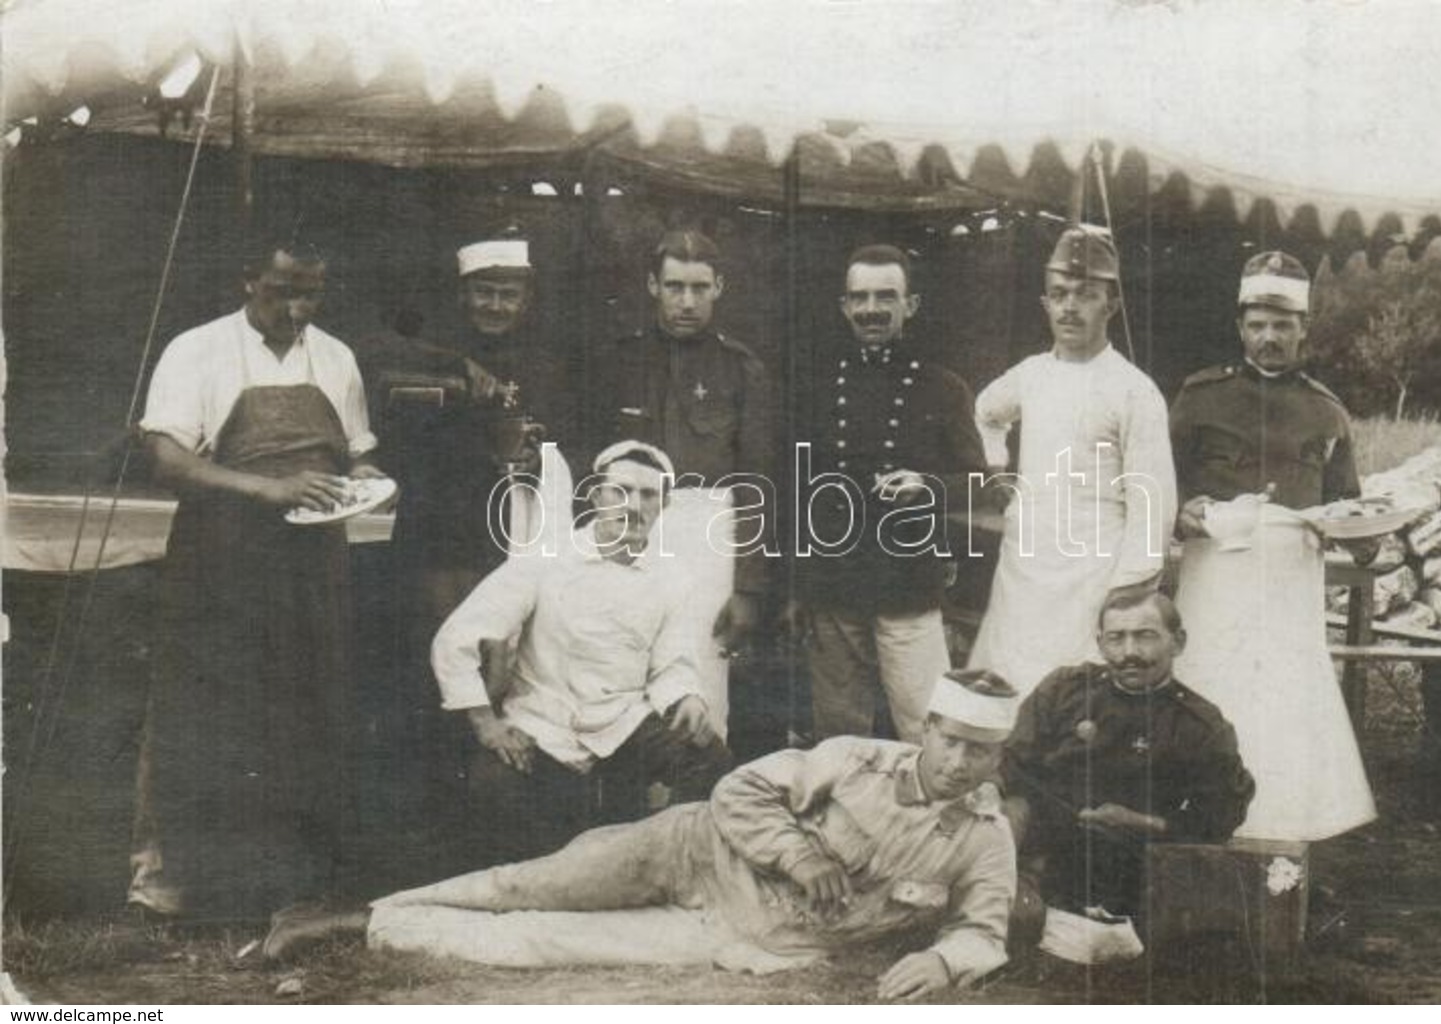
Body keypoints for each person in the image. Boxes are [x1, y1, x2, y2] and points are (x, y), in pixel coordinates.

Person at [263, 671, 1021, 1001]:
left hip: (751, 936)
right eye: (949, 740)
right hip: (695, 847)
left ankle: (375, 930)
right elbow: (739, 788)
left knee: (544, 945)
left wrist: (941, 961)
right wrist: (798, 848)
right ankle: (351, 910)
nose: (959, 762)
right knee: (529, 883)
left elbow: (983, 932)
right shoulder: (854, 758)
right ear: (926, 729)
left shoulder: (983, 837)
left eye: (977, 750)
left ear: (996, 756)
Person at [129, 237, 382, 920]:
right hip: (221, 560)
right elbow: (168, 462)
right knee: (208, 712)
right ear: (248, 280)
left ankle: (290, 885)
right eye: (282, 292)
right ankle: (178, 884)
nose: (296, 308)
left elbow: (353, 455)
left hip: (313, 567)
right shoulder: (197, 349)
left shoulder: (336, 358)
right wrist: (264, 489)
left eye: (311, 294)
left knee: (307, 711)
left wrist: (366, 481)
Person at [355, 234, 575, 852]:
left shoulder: (548, 359)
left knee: (507, 667)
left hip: (512, 534)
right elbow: (369, 353)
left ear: (526, 298)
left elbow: (566, 444)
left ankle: (493, 821)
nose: (496, 306)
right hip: (436, 530)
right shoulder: (427, 346)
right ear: (462, 293)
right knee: (434, 662)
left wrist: (539, 458)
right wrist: (454, 367)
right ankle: (428, 825)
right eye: (484, 291)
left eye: (508, 294)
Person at [430, 441, 732, 866]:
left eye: (648, 496)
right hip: (543, 725)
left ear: (663, 505)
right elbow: (456, 638)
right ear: (595, 497)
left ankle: (668, 866)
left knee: (709, 759)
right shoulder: (546, 558)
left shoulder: (673, 578)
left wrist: (688, 697)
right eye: (621, 491)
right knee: (494, 787)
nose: (634, 507)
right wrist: (486, 724)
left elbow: (672, 664)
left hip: (619, 725)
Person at [1167, 249, 1377, 841]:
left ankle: (1284, 821)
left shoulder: (1325, 410)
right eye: (1257, 325)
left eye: (1282, 325)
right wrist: (1183, 510)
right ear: (1239, 328)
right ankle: (1198, 821)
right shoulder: (1200, 396)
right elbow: (1162, 479)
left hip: (1290, 579)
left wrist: (1364, 538)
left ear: (1303, 329)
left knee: (1288, 692)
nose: (1268, 338)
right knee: (1211, 678)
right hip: (1218, 573)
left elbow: (1347, 499)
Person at [969, 225, 1177, 695]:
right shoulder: (1031, 375)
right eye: (1059, 294)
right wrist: (997, 471)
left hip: (1093, 572)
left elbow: (1154, 505)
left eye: (1085, 295)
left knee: (1076, 699)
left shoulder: (1134, 390)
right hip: (1024, 565)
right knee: (1007, 688)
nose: (1069, 306)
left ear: (1111, 304)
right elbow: (985, 412)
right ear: (1045, 303)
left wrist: (1127, 592)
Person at [792, 244, 985, 744]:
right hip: (834, 580)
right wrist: (797, 585)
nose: (871, 309)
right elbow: (794, 489)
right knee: (839, 733)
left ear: (910, 305)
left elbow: (982, 485)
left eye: (886, 296)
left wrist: (928, 487)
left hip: (907, 582)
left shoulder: (944, 388)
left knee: (927, 726)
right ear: (844, 306)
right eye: (859, 297)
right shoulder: (815, 386)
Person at [587, 229, 776, 739]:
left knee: (700, 674)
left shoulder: (741, 368)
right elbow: (594, 468)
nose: (686, 301)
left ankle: (695, 807)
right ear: (653, 285)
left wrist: (750, 587)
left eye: (698, 287)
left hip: (706, 536)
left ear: (719, 287)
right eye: (674, 286)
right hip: (627, 530)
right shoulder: (618, 361)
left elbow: (757, 483)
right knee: (621, 664)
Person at [1001, 591, 1254, 925]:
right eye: (1116, 639)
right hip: (1037, 850)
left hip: (1126, 865)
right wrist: (1007, 856)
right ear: (1100, 643)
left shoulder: (1199, 724)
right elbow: (1012, 765)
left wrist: (1140, 821)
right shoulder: (1065, 689)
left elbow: (1224, 811)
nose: (1129, 652)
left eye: (1145, 636)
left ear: (1177, 642)